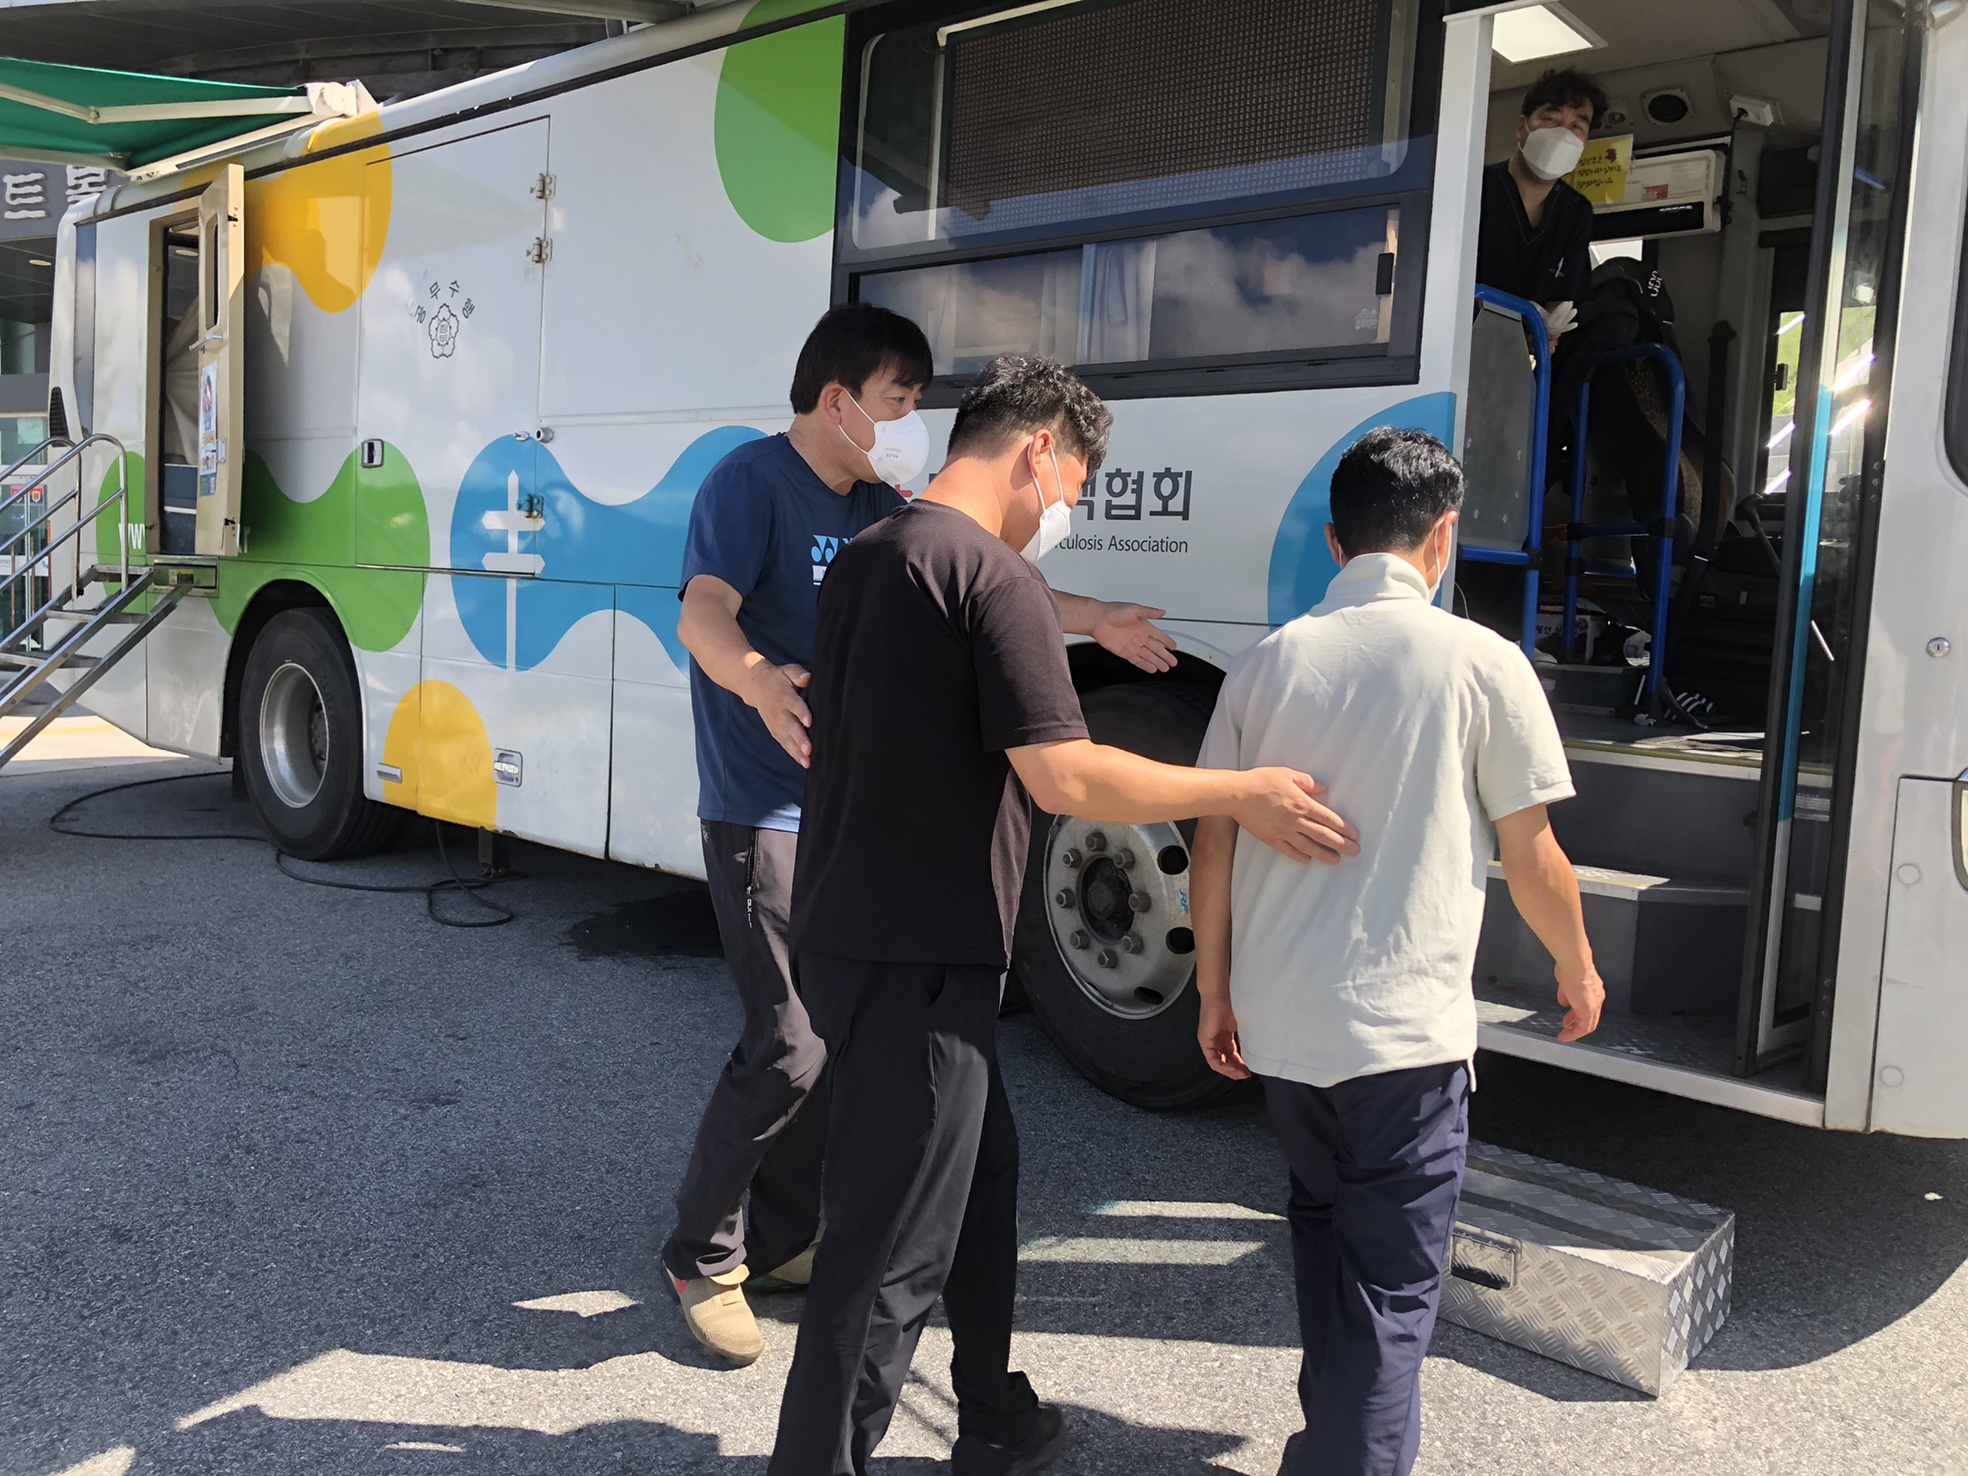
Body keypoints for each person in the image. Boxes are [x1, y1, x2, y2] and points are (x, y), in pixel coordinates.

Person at [771, 355, 1361, 1475]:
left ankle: (992, 1412)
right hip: (919, 953)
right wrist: (1239, 791)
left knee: (980, 1176)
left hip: (853, 933)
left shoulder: (873, 556)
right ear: (1039, 450)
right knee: (889, 1251)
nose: (1069, 511)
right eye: (1077, 485)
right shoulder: (992, 579)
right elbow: (1067, 777)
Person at [665, 307, 1186, 1366]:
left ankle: (781, 1238)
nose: (911, 421)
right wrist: (757, 680)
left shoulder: (879, 502)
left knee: (836, 1038)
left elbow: (985, 578)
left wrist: (1097, 619)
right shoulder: (749, 482)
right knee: (789, 1044)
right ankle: (700, 1252)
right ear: (837, 401)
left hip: (847, 811)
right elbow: (703, 612)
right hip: (762, 804)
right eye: (898, 401)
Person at [1190, 428, 1606, 1476]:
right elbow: (1534, 855)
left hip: (1283, 1026)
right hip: (1405, 1041)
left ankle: (1327, 1440)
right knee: (1391, 1290)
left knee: (1324, 1229)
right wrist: (1577, 967)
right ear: (1445, 537)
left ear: (1337, 542)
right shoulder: (1482, 662)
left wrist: (1213, 994)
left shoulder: (1264, 664)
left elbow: (1212, 845)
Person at [1475, 66, 1607, 346]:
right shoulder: (1475, 188)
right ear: (1521, 127)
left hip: (1520, 352)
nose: (1562, 135)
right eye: (1551, 119)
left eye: (1576, 127)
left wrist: (1550, 328)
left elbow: (1569, 293)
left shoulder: (1575, 211)